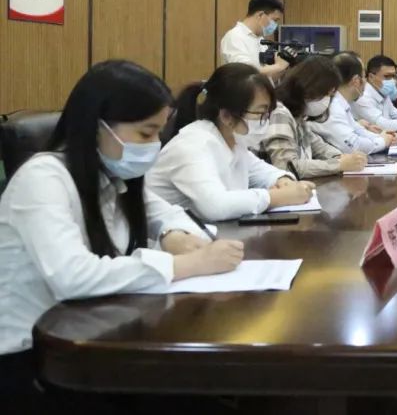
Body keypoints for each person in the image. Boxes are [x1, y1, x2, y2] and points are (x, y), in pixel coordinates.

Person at [0, 60, 243, 396]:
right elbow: (73, 276)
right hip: (33, 360)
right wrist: (185, 264)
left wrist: (172, 234)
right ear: (97, 126)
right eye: (146, 133)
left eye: (158, 133)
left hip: (96, 335)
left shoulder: (113, 175)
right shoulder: (43, 179)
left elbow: (171, 215)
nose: (154, 145)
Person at [146, 65, 315, 221]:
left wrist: (283, 180)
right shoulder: (192, 145)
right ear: (227, 116)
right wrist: (277, 197)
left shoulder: (233, 141)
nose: (266, 121)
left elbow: (263, 172)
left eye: (268, 114)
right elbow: (216, 206)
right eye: (260, 114)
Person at [263, 56, 368, 178]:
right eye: (326, 93)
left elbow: (319, 147)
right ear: (311, 88)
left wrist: (342, 157)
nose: (327, 100)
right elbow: (287, 166)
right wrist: (338, 164)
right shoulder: (280, 113)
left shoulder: (299, 117)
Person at [311, 52, 397, 154]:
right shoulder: (332, 107)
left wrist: (383, 137)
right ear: (356, 80)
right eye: (364, 77)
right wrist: (383, 141)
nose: (366, 82)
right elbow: (353, 145)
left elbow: (358, 131)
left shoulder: (341, 103)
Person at [219, 0, 289, 80]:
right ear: (261, 15)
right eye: (274, 20)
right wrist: (279, 66)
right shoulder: (234, 37)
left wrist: (283, 67)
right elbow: (247, 73)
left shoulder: (259, 39)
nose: (275, 26)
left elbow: (267, 77)